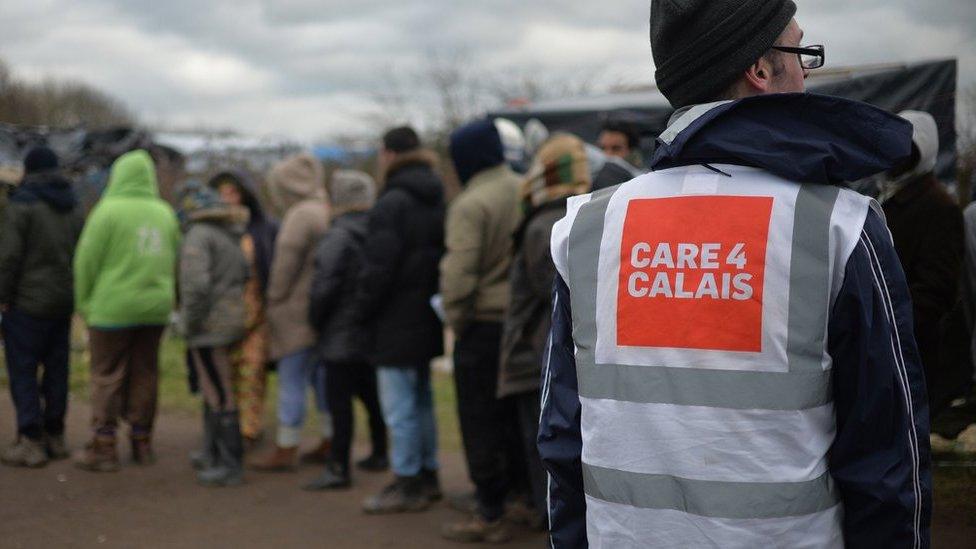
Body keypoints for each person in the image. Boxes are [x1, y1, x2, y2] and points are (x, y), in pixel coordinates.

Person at [539, 1, 932, 547]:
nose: (806, 71)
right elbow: (888, 458)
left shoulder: (586, 228)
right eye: (801, 52)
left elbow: (561, 443)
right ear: (762, 70)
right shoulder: (839, 225)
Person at [497, 133, 591, 530]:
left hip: (534, 358)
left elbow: (549, 295)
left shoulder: (543, 225)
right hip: (549, 356)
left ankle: (545, 521)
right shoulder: (578, 215)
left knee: (544, 458)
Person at [439, 119, 523, 543]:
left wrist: (456, 320)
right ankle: (523, 499)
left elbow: (459, 274)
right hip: (522, 323)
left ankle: (489, 510)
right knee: (516, 417)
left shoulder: (472, 204)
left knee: (479, 418)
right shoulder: (523, 188)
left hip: (482, 325)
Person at [73, 149, 181, 472]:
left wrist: (86, 305)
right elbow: (175, 260)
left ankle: (104, 445)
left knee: (107, 375)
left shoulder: (107, 212)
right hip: (155, 309)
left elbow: (85, 263)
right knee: (146, 372)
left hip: (111, 308)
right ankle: (142, 441)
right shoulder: (166, 214)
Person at [358, 126, 445, 514]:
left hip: (394, 318)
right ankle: (428, 476)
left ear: (390, 154)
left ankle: (407, 482)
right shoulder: (435, 194)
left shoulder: (391, 202)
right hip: (423, 313)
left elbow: (378, 267)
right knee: (421, 400)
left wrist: (362, 309)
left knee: (400, 407)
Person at [880, 111, 969, 420]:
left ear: (925, 151)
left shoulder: (938, 206)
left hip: (916, 352)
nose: (897, 156)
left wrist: (888, 329)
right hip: (893, 346)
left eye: (908, 148)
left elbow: (937, 290)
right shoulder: (889, 196)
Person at [303, 170, 388, 491]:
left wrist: (316, 320)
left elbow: (323, 285)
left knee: (340, 403)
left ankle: (339, 467)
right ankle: (380, 452)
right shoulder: (378, 231)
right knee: (371, 396)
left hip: (339, 332)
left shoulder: (337, 236)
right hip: (370, 331)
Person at [0, 146, 84, 467]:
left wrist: (2, 295)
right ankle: (56, 435)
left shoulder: (20, 206)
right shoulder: (74, 206)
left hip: (26, 304)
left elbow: (8, 258)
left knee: (23, 370)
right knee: (57, 370)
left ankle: (30, 440)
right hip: (63, 302)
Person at [250, 153, 332, 471]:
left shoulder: (300, 216)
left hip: (295, 314)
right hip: (322, 311)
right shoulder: (326, 209)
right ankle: (329, 437)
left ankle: (286, 444)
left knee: (292, 379)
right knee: (321, 379)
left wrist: (273, 299)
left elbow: (285, 264)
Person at [175, 181, 251, 486]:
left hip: (208, 327)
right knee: (218, 387)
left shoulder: (198, 236)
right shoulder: (229, 234)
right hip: (230, 320)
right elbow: (245, 274)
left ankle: (230, 464)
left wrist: (187, 324)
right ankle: (213, 453)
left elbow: (195, 287)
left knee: (218, 391)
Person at [208, 170, 279, 448]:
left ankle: (249, 430)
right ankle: (225, 428)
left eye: (233, 193)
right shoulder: (211, 229)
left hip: (257, 315)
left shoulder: (264, 228)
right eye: (222, 194)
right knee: (225, 375)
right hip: (223, 316)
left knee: (252, 373)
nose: (228, 200)